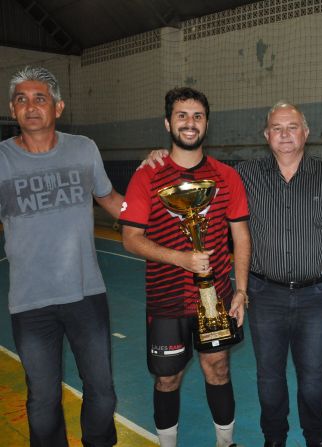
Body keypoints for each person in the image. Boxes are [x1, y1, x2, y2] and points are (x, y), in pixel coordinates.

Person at [119, 87, 251, 447]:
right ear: (168, 122)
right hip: (166, 300)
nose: (190, 123)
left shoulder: (227, 177)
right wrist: (181, 258)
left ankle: (226, 443)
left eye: (197, 116)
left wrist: (241, 290)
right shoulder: (148, 175)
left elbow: (241, 236)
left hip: (216, 297)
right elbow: (130, 238)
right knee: (167, 379)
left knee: (219, 369)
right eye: (182, 115)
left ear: (207, 123)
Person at [0, 66, 123, 446]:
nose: (31, 106)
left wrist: (164, 209)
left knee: (101, 390)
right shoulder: (1, 159)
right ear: (11, 108)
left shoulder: (83, 148)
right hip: (30, 302)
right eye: (22, 100)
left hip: (85, 294)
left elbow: (113, 201)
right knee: (43, 398)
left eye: (40, 99)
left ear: (58, 107)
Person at [235, 101, 322, 447]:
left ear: (306, 132)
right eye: (277, 128)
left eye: (292, 127)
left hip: (315, 295)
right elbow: (204, 177)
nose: (285, 134)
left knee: (313, 375)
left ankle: (317, 437)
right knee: (269, 375)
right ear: (266, 135)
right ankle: (275, 438)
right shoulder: (245, 175)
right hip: (264, 293)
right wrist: (161, 156)